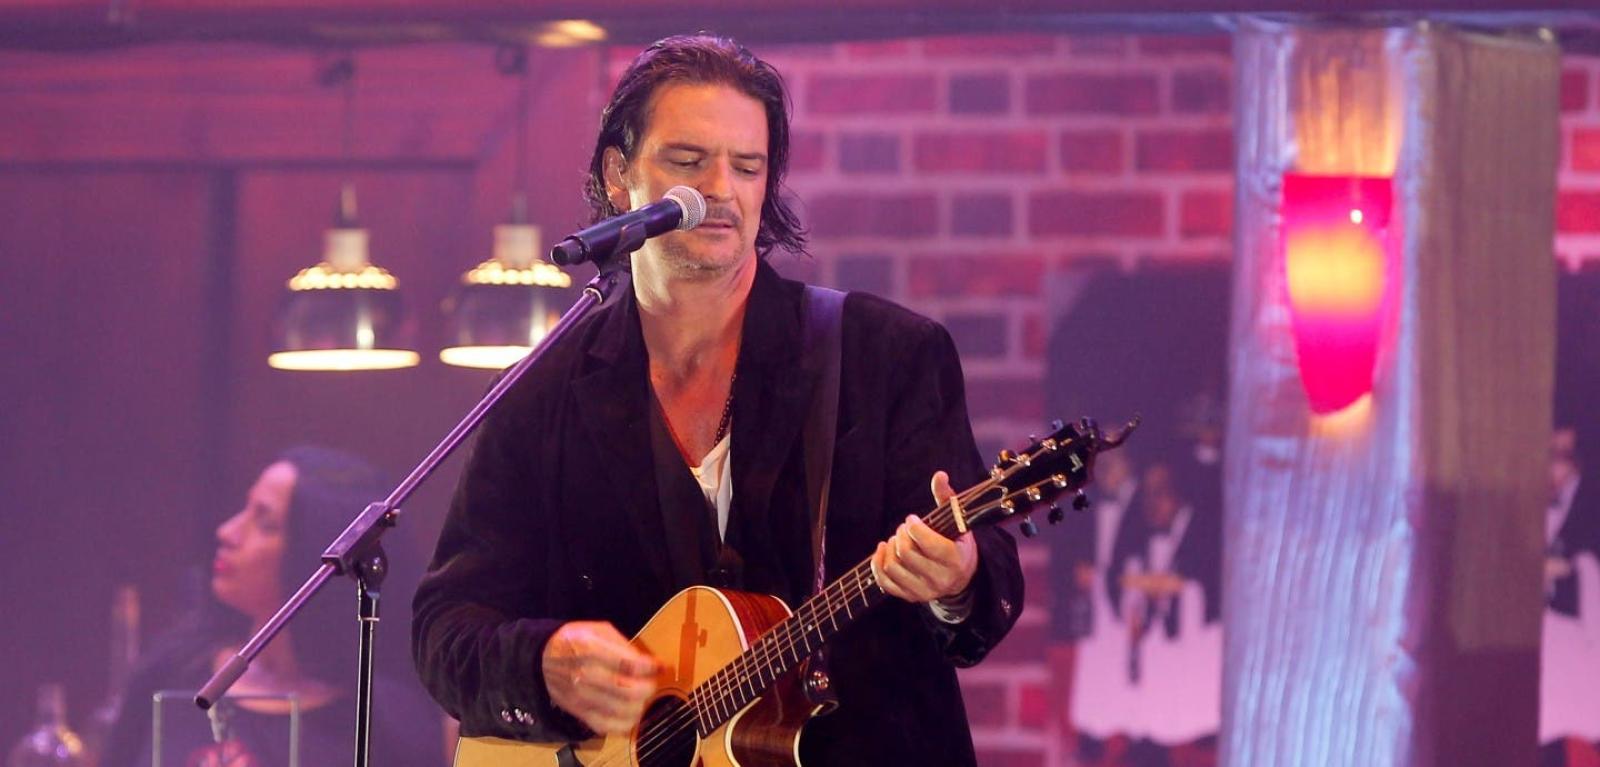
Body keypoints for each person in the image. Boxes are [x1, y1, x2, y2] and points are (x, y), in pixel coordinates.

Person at [411, 33, 1024, 764]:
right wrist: (543, 665)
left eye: (747, 166)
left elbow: (986, 588)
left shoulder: (884, 358)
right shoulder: (540, 393)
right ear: (618, 175)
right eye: (688, 161)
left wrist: (958, 581)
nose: (721, 190)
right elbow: (445, 628)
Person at [101, 446, 443, 767]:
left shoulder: (389, 723)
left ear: (315, 551)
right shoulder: (172, 669)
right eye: (245, 510)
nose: (227, 532)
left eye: (264, 523)